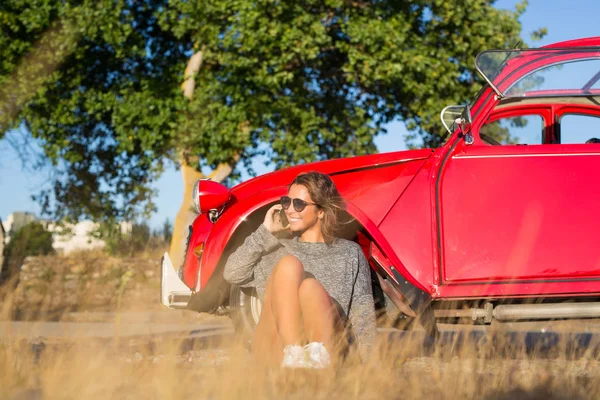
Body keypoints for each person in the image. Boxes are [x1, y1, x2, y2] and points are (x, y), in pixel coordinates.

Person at [223, 171, 376, 368]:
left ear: (321, 211)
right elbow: (232, 273)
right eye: (287, 202)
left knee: (310, 288)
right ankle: (293, 353)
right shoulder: (275, 250)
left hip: (328, 351)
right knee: (289, 265)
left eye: (299, 204)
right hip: (275, 352)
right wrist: (265, 232)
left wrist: (368, 370)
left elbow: (363, 317)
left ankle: (312, 363)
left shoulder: (349, 253)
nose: (290, 210)